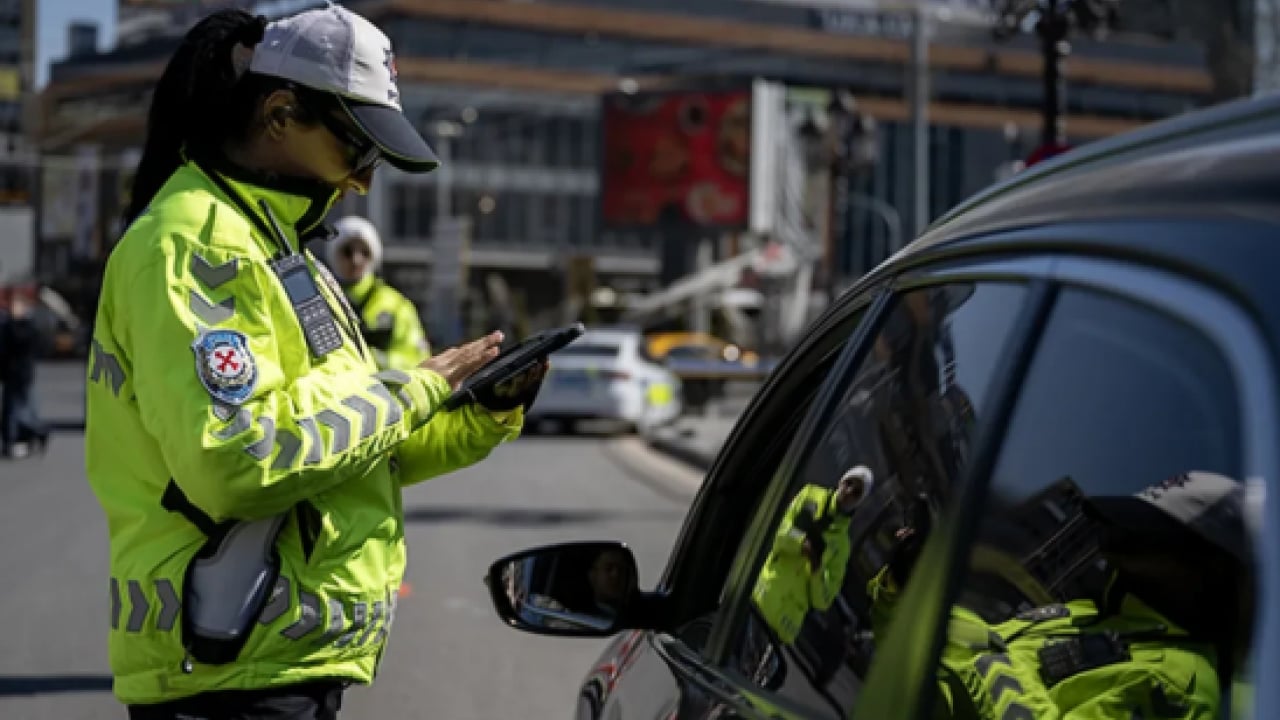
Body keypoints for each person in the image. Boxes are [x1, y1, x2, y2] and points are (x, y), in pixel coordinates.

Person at [84, 6, 548, 719]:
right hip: (231, 669)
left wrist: (484, 412)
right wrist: (413, 392)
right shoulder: (198, 246)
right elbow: (241, 461)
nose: (362, 181)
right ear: (279, 112)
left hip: (274, 661)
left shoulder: (280, 247)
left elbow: (355, 451)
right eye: (357, 149)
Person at [867, 472, 1252, 720]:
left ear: (1203, 567)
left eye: (1149, 535)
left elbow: (986, 660)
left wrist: (994, 662)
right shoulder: (1090, 615)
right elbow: (962, 649)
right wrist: (909, 589)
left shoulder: (1181, 683)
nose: (1113, 542)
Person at [751, 466, 875, 646]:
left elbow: (823, 600)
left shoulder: (842, 546)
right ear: (841, 481)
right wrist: (801, 543)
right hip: (761, 598)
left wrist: (817, 567)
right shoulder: (810, 494)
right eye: (848, 483)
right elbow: (777, 532)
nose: (848, 492)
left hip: (782, 626)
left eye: (856, 492)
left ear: (858, 501)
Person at [326, 216, 431, 371]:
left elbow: (418, 361)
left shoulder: (396, 305)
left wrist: (374, 360)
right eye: (347, 252)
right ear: (334, 254)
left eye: (365, 252)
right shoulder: (320, 300)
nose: (356, 260)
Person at [1, 289, 50, 459]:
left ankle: (31, 435)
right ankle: (13, 440)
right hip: (9, 374)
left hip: (22, 374)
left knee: (19, 411)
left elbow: (25, 343)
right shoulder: (7, 325)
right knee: (13, 410)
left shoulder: (26, 326)